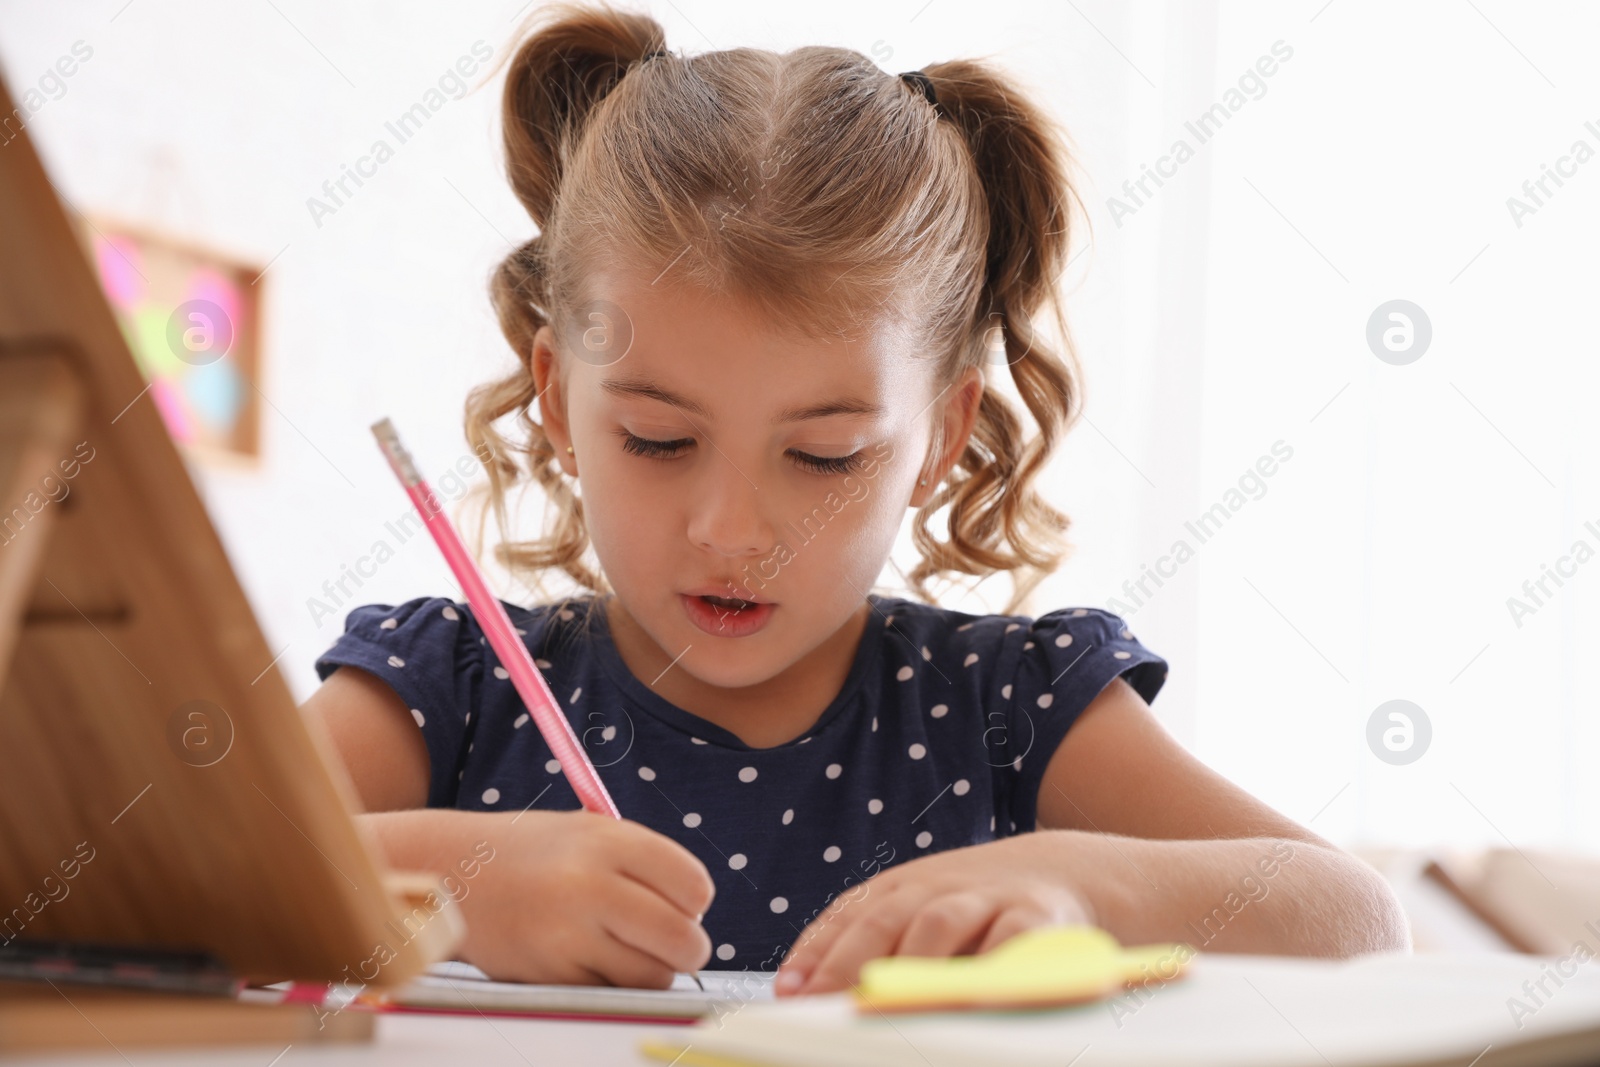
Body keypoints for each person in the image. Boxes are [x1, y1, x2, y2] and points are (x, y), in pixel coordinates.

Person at [303, 2, 1409, 995]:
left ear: (940, 437)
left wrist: (1084, 883)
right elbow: (136, 863)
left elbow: (1360, 923)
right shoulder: (453, 689)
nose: (730, 530)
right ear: (556, 398)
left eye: (827, 456)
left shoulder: (1000, 708)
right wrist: (442, 881)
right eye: (657, 437)